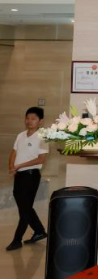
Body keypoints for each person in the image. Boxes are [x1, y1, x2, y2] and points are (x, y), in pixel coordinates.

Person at [7, 107, 49, 251]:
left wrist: (19, 165)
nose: (29, 121)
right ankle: (39, 231)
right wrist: (12, 166)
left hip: (31, 175)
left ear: (40, 121)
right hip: (19, 175)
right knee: (25, 207)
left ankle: (17, 239)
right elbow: (14, 152)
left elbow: (41, 159)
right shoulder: (20, 135)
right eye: (27, 118)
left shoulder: (43, 136)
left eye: (33, 118)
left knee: (24, 210)